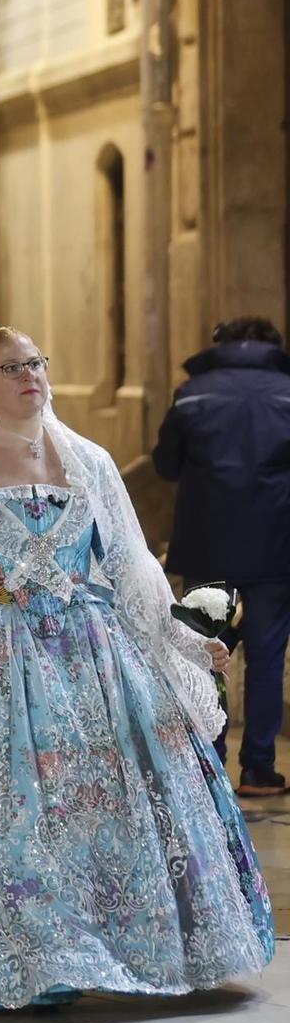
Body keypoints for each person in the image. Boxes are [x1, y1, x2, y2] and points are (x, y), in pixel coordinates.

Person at [0, 327, 273, 1012]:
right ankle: (30, 958)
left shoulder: (90, 461)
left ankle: (115, 944)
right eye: (12, 367)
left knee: (103, 796)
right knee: (11, 807)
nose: (31, 376)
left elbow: (133, 569)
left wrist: (184, 641)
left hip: (88, 654)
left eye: (36, 362)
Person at [153, 317, 290, 796]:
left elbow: (166, 465)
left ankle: (210, 760)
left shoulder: (193, 393)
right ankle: (258, 769)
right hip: (277, 548)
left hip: (208, 546)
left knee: (206, 653)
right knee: (269, 658)